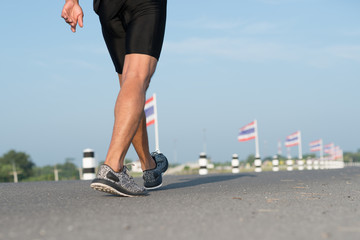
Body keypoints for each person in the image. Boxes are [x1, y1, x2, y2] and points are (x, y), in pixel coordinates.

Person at [61, 0, 168, 197]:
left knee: (130, 83)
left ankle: (148, 165)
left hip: (107, 6)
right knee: (136, 78)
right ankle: (113, 166)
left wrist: (72, 1)